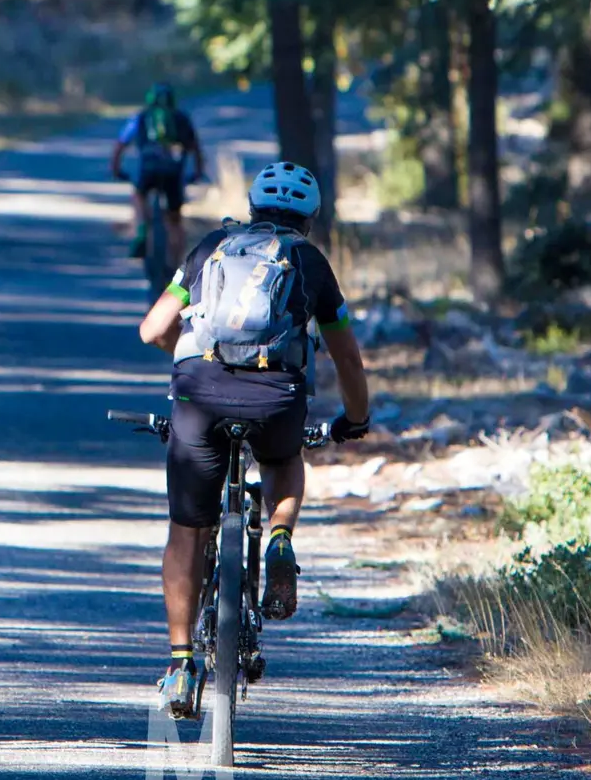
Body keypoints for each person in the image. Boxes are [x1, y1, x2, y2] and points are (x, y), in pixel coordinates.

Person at [133, 161, 371, 717]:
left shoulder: (212, 246)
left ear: (253, 205)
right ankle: (281, 535)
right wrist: (354, 420)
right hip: (275, 398)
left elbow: (152, 329)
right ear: (310, 217)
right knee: (285, 460)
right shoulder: (310, 262)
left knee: (187, 529)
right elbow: (347, 357)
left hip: (200, 391)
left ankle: (180, 665)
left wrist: (194, 363)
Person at [110, 82, 202, 266]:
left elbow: (120, 146)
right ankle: (179, 266)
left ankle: (142, 229)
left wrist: (116, 169)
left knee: (138, 194)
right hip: (174, 173)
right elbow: (196, 149)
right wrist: (197, 172)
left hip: (149, 170)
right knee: (175, 222)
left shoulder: (141, 118)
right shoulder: (181, 119)